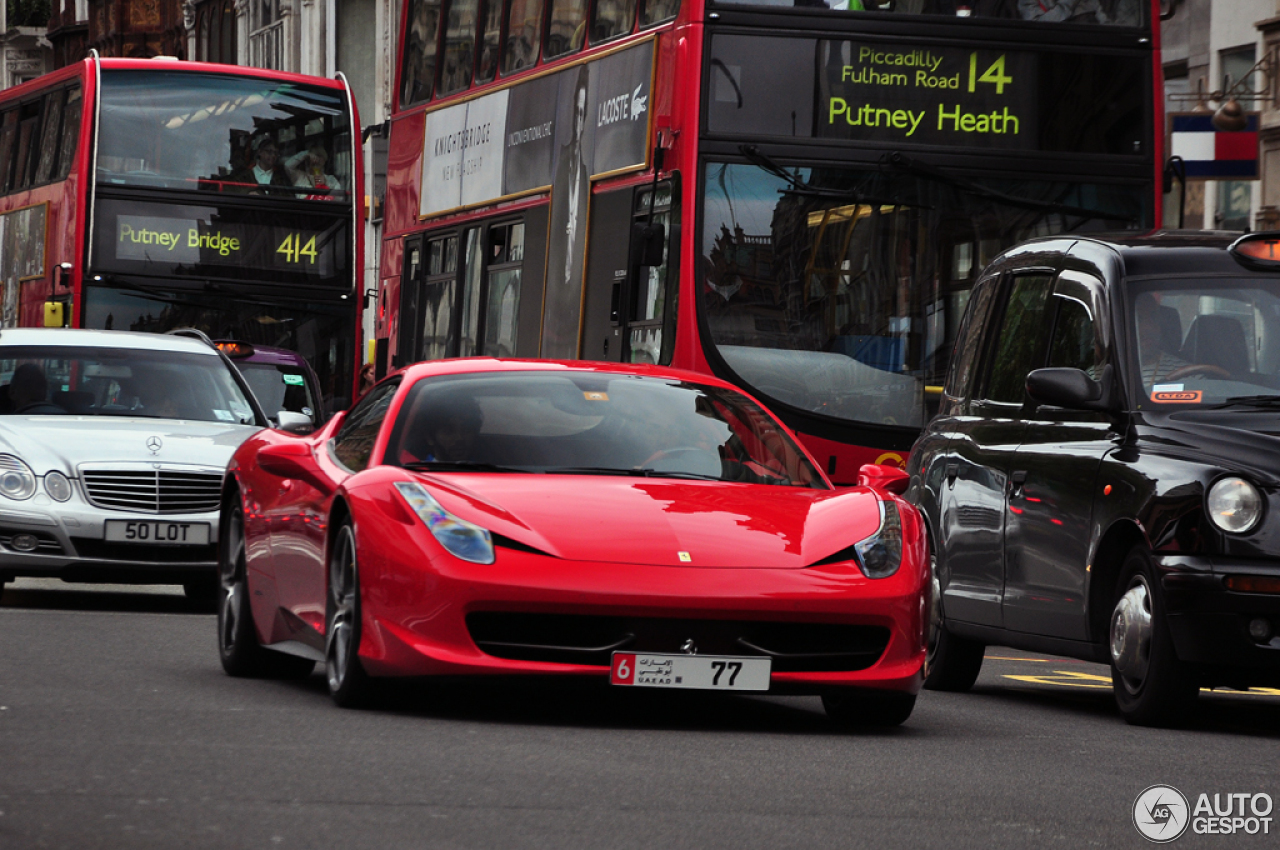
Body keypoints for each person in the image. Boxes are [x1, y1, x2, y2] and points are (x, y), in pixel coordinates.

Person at [541, 65, 591, 359]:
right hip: (557, 292)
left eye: (584, 115)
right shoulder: (561, 163)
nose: (579, 122)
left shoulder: (587, 171)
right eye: (577, 113)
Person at [1134, 292, 1189, 388]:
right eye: (1139, 319)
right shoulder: (1105, 376)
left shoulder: (1188, 374)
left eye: (1153, 318)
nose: (1147, 327)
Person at [406, 396, 484, 463]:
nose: (459, 438)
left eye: (467, 430)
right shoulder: (415, 472)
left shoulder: (489, 470)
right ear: (429, 438)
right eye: (448, 432)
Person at [1017, 0, 1107, 22]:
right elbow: (1035, 27)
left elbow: (1104, 23)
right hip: (1045, 56)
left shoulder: (1086, 3)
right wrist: (1068, 3)